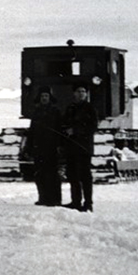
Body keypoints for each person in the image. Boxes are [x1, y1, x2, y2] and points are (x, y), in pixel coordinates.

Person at [62, 84, 99, 212]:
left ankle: (88, 203)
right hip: (71, 147)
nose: (82, 93)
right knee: (72, 175)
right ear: (74, 93)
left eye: (84, 91)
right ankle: (75, 201)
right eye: (79, 91)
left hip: (84, 147)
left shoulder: (89, 108)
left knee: (85, 176)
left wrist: (76, 131)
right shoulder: (70, 108)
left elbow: (93, 126)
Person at [30, 86, 62, 206]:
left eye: (46, 96)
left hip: (51, 147)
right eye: (42, 96)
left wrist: (59, 145)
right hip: (39, 147)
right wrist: (29, 147)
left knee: (53, 175)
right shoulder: (36, 112)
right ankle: (43, 198)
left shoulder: (55, 112)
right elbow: (32, 130)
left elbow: (59, 129)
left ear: (50, 98)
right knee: (40, 174)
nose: (44, 98)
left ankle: (55, 199)